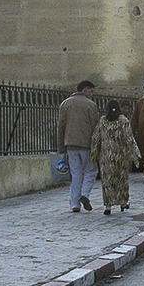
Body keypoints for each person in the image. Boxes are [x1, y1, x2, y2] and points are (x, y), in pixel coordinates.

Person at [90, 99, 141, 215]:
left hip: (106, 157)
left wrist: (94, 154)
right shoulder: (123, 121)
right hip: (120, 156)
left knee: (108, 181)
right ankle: (123, 203)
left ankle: (108, 206)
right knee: (121, 180)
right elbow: (129, 139)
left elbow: (96, 138)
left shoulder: (103, 121)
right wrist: (135, 154)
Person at [57, 80, 100, 213]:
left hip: (70, 144)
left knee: (75, 174)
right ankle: (85, 195)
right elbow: (95, 127)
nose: (92, 94)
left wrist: (61, 146)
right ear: (85, 90)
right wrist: (97, 146)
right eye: (91, 91)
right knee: (91, 171)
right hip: (86, 144)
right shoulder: (91, 105)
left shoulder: (65, 104)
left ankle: (74, 204)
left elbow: (61, 126)